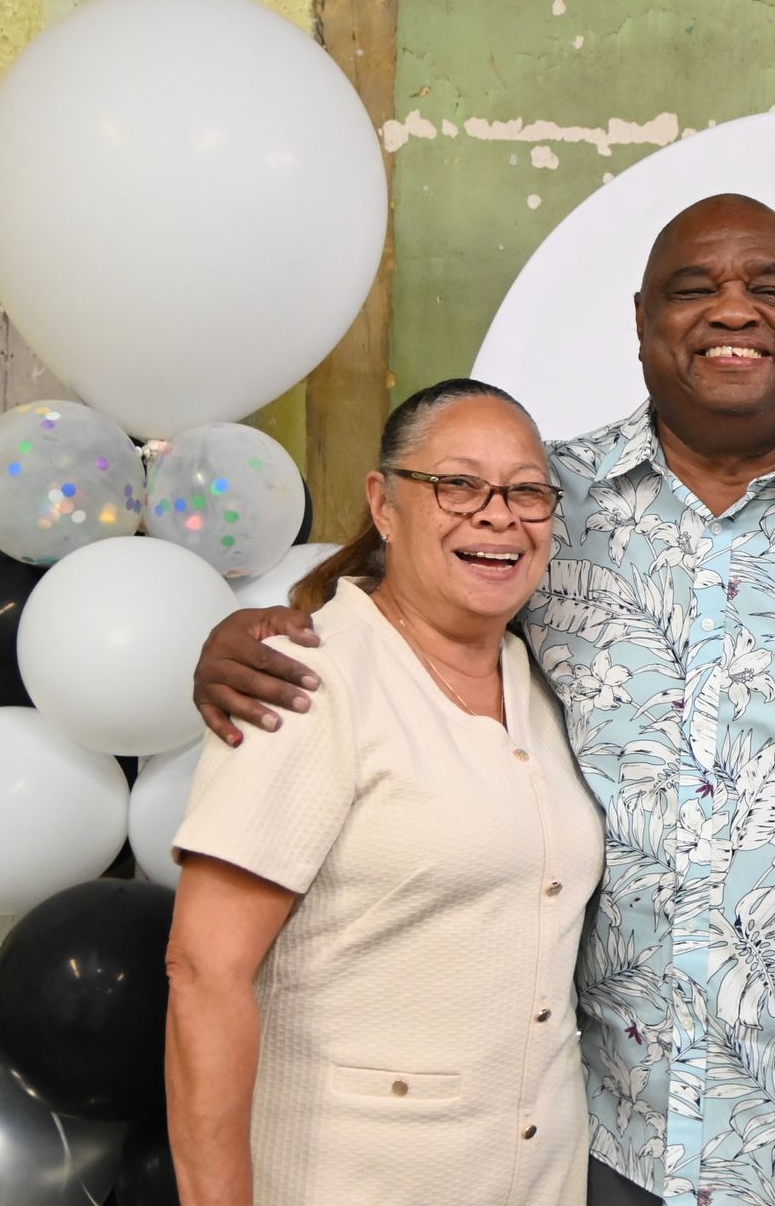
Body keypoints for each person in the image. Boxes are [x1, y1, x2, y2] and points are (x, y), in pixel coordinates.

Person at [189, 195, 775, 1206]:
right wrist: (253, 630)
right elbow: (401, 606)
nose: (734, 309)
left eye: (771, 288)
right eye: (694, 288)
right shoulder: (546, 501)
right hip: (613, 1121)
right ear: (641, 320)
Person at [164, 379, 604, 1206]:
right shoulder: (304, 681)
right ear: (384, 504)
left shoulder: (544, 683)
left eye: (526, 492)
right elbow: (203, 972)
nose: (498, 516)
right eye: (458, 485)